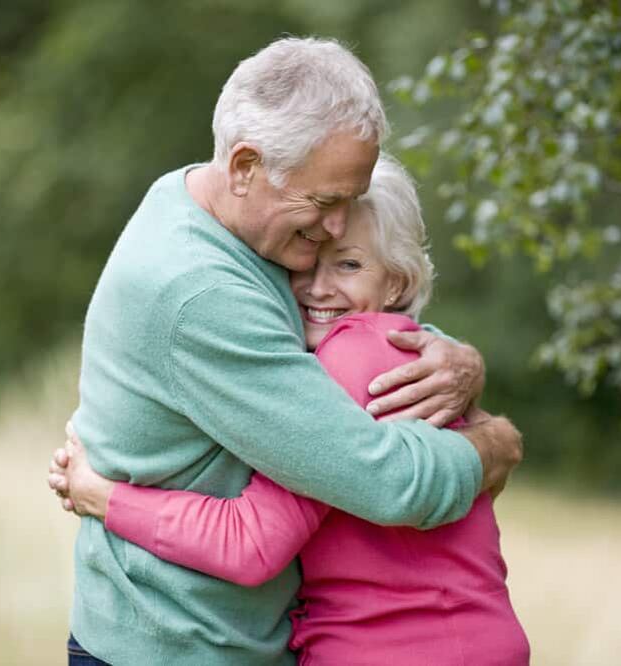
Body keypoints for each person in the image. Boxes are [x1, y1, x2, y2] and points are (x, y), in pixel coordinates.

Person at [57, 36, 523, 665]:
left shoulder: (214, 204)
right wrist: (495, 445)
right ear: (245, 165)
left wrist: (455, 359)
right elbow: (386, 481)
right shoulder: (202, 295)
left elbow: (359, 329)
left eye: (351, 204)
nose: (335, 228)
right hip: (182, 645)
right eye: (326, 203)